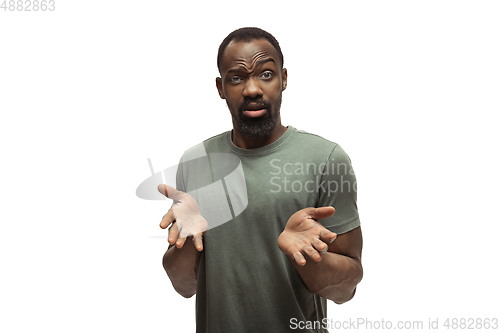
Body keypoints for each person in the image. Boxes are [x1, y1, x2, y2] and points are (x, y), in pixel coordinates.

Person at [158, 27, 363, 332]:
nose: (252, 89)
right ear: (220, 87)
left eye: (265, 74)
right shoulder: (195, 161)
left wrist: (307, 258)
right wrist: (188, 241)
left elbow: (345, 290)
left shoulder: (327, 159)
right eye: (237, 78)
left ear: (283, 79)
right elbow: (185, 286)